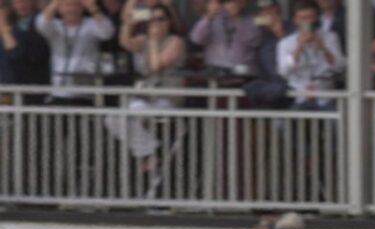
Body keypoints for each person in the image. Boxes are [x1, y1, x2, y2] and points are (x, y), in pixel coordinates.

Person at [104, 3, 184, 172]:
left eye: (161, 19)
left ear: (169, 22)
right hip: (146, 97)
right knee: (114, 118)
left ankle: (151, 152)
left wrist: (154, 40)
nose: (156, 23)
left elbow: (156, 65)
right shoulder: (145, 40)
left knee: (135, 115)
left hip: (167, 98)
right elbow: (125, 43)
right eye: (152, 19)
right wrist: (128, 24)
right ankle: (152, 150)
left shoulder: (175, 41)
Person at [35, 0, 115, 103]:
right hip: (59, 92)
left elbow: (107, 32)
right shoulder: (55, 26)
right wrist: (55, 4)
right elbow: (41, 23)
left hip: (84, 92)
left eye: (76, 5)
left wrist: (92, 7)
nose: (72, 9)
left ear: (82, 8)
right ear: (60, 9)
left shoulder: (91, 25)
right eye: (67, 5)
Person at [277, 0, 345, 108]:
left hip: (325, 96)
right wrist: (299, 47)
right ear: (296, 20)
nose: (308, 22)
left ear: (317, 18)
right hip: (298, 97)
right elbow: (283, 71)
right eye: (304, 18)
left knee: (334, 119)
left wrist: (322, 47)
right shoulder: (286, 43)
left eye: (311, 17)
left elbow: (339, 67)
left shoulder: (330, 37)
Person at [189, 0, 262, 75]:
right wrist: (209, 16)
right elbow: (196, 39)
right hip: (216, 74)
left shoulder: (252, 20)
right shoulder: (212, 20)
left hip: (244, 75)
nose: (233, 4)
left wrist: (236, 18)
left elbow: (255, 41)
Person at [0, 0, 51, 94]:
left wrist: (4, 30)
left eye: (25, 1)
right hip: (6, 89)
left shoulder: (41, 24)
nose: (21, 5)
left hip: (31, 89)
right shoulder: (11, 25)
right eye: (17, 2)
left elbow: (17, 56)